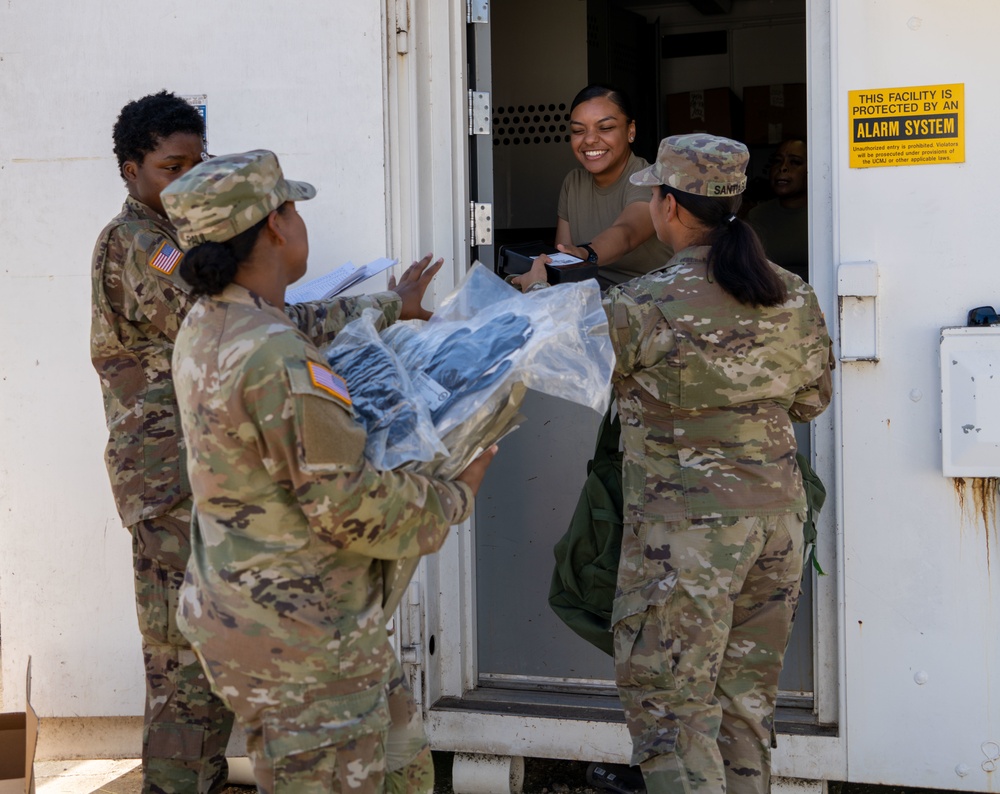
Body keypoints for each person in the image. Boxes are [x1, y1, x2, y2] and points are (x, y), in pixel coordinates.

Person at [90, 93, 437, 793]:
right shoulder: (142, 247)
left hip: (215, 474)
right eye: (169, 167)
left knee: (217, 655)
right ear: (131, 173)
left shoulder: (197, 254)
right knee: (181, 667)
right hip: (167, 484)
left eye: (197, 162)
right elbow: (257, 320)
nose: (184, 179)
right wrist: (379, 308)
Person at [159, 149, 497, 793]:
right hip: (303, 645)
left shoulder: (211, 325)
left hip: (257, 618)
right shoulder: (275, 357)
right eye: (291, 207)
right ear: (277, 226)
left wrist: (393, 306)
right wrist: (453, 494)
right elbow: (347, 507)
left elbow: (302, 321)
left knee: (400, 758)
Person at [513, 134, 834, 794]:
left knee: (671, 720)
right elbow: (812, 399)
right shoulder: (792, 294)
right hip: (774, 529)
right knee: (743, 716)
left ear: (667, 205)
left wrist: (537, 297)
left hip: (684, 544)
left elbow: (551, 367)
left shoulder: (646, 302)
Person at [535, 84, 672, 288]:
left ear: (630, 131)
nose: (590, 139)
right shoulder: (573, 183)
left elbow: (627, 233)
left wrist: (586, 254)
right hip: (592, 296)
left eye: (606, 128)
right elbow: (565, 256)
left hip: (644, 301)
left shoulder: (648, 179)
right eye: (578, 130)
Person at [748, 137, 808, 280]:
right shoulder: (756, 216)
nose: (783, 167)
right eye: (777, 161)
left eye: (795, 162)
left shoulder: (826, 214)